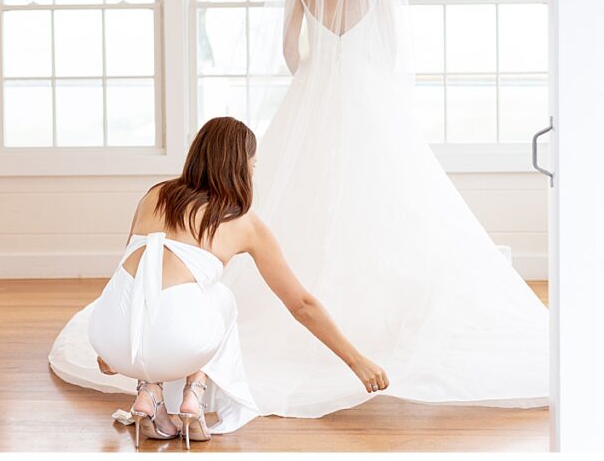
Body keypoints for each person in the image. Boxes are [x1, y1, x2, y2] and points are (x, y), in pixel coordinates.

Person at [218, 0, 550, 418]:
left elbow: (287, 47)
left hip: (315, 93)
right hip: (368, 95)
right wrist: (365, 82)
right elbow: (393, 49)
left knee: (300, 197)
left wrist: (313, 81)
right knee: (390, 202)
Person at [57, 116, 387, 448]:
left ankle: (149, 392)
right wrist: (356, 360)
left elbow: (132, 275)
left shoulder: (154, 195)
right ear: (240, 167)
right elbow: (301, 305)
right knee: (221, 298)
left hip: (109, 338)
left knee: (159, 289)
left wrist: (109, 351)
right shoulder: (243, 223)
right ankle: (193, 398)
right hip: (168, 345)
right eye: (253, 166)